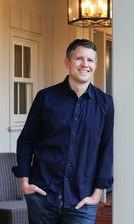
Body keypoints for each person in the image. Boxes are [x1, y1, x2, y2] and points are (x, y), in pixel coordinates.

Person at [12, 39, 114, 224]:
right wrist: (25, 183)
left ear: (96, 65)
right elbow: (26, 140)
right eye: (79, 59)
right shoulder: (46, 98)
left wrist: (97, 193)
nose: (85, 64)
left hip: (82, 201)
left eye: (90, 60)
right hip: (42, 197)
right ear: (67, 62)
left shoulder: (105, 104)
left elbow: (106, 150)